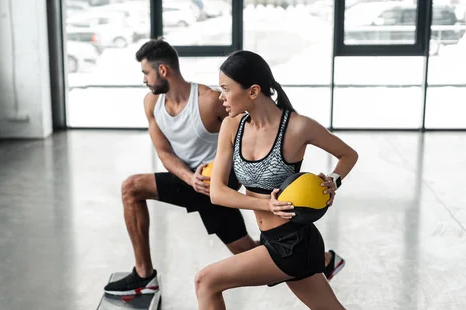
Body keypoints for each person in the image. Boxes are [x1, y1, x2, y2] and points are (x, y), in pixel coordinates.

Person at [166, 50, 430, 310]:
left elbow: (348, 154)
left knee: (207, 281)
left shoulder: (297, 127)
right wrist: (264, 202)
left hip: (292, 242)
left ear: (254, 91)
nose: (220, 96)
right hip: (277, 239)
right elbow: (218, 193)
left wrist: (334, 180)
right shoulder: (234, 125)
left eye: (226, 88)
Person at [104, 39, 345, 296]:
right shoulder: (151, 104)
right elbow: (164, 152)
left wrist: (228, 175)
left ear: (162, 70)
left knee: (250, 252)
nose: (144, 80)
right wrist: (189, 178)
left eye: (146, 73)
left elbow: (248, 140)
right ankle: (144, 276)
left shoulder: (210, 101)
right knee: (132, 188)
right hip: (189, 181)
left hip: (215, 185)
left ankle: (321, 260)